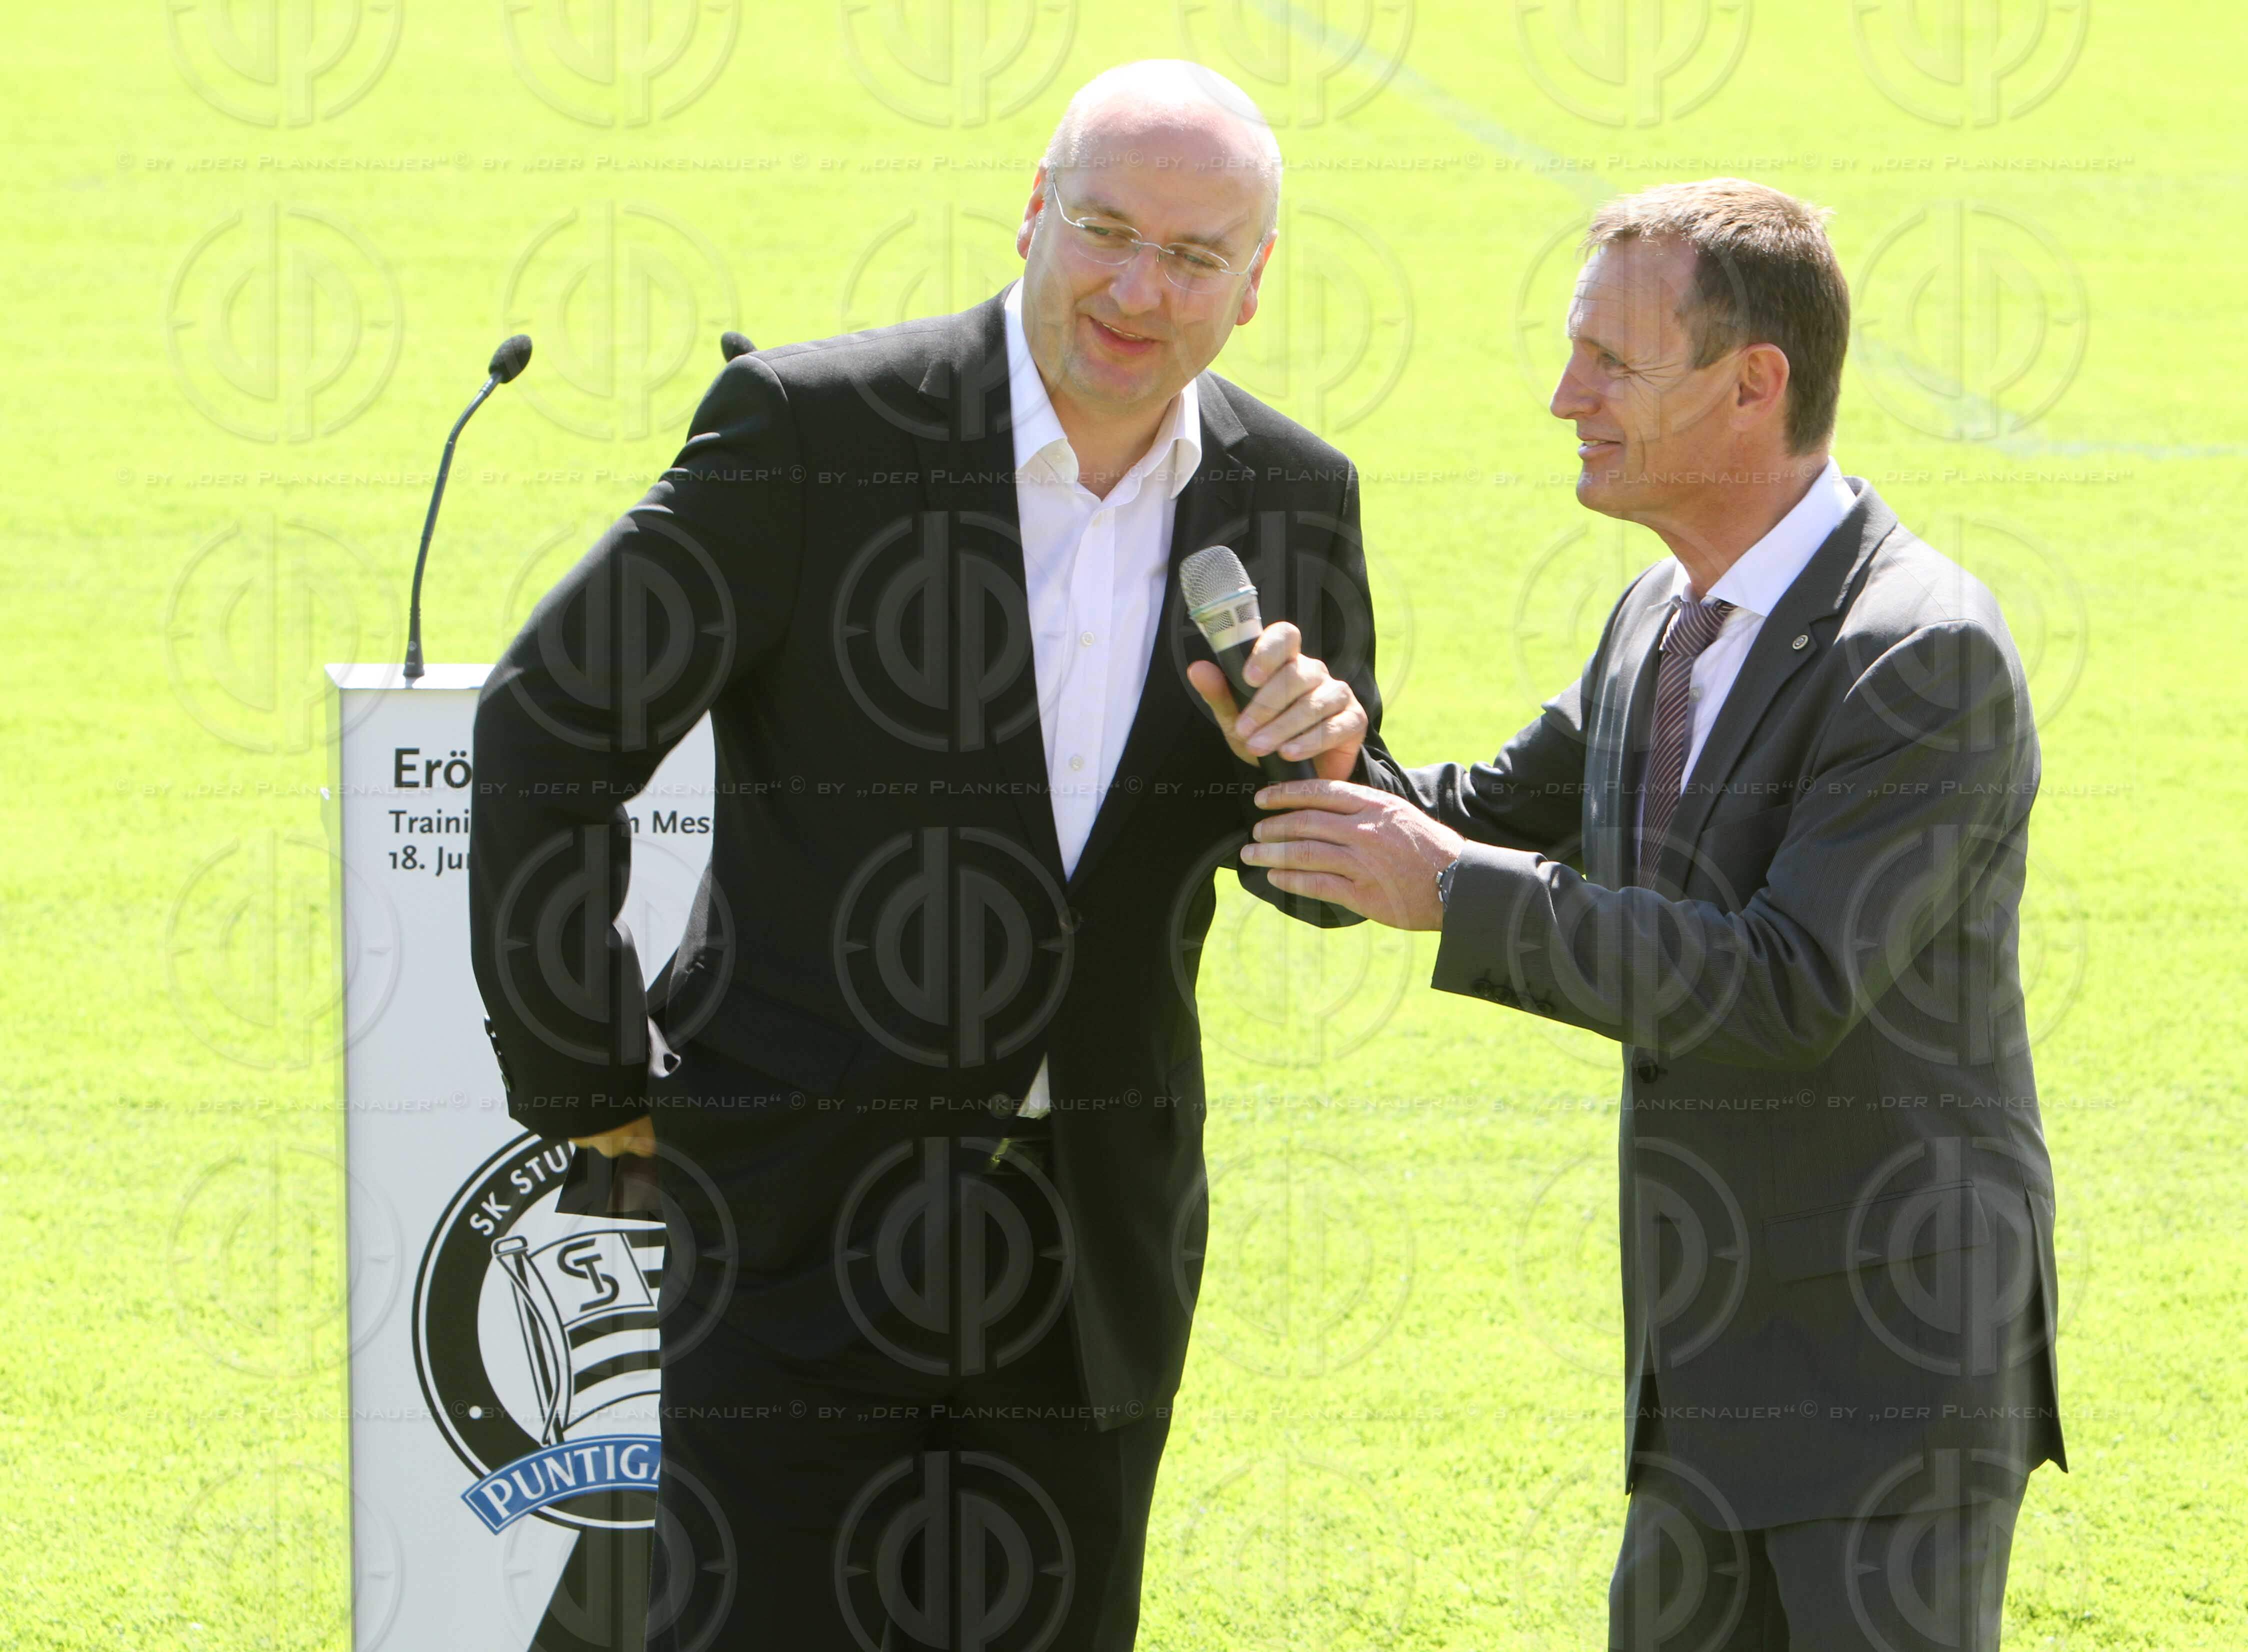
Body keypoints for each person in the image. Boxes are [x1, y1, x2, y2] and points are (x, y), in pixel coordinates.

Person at [470, 60, 1386, 1652]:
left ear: (1255, 286)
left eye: (1191, 257)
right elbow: (550, 727)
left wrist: (1322, 766)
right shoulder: (815, 434)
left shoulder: (1291, 493)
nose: (1133, 287)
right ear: (1032, 213)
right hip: (792, 1233)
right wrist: (589, 1082)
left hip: (1089, 1260)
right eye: (1104, 229)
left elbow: (1307, 872)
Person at [1244, 178, 2064, 1650]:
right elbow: (1473, 814)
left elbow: (1785, 984)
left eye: (1612, 364)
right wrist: (1304, 760)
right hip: (1703, 1381)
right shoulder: (1656, 619)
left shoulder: (1920, 657)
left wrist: (1442, 886)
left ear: (1756, 386)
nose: (1567, 398)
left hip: (1882, 1397)